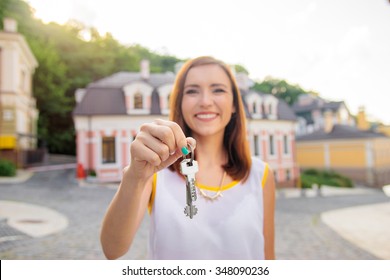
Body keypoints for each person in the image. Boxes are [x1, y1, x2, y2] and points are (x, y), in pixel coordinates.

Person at [100, 56, 275, 260]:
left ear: (235, 104)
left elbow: (267, 258)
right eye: (192, 91)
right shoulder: (156, 169)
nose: (205, 102)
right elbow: (112, 249)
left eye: (218, 89)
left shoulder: (260, 174)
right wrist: (134, 177)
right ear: (179, 103)